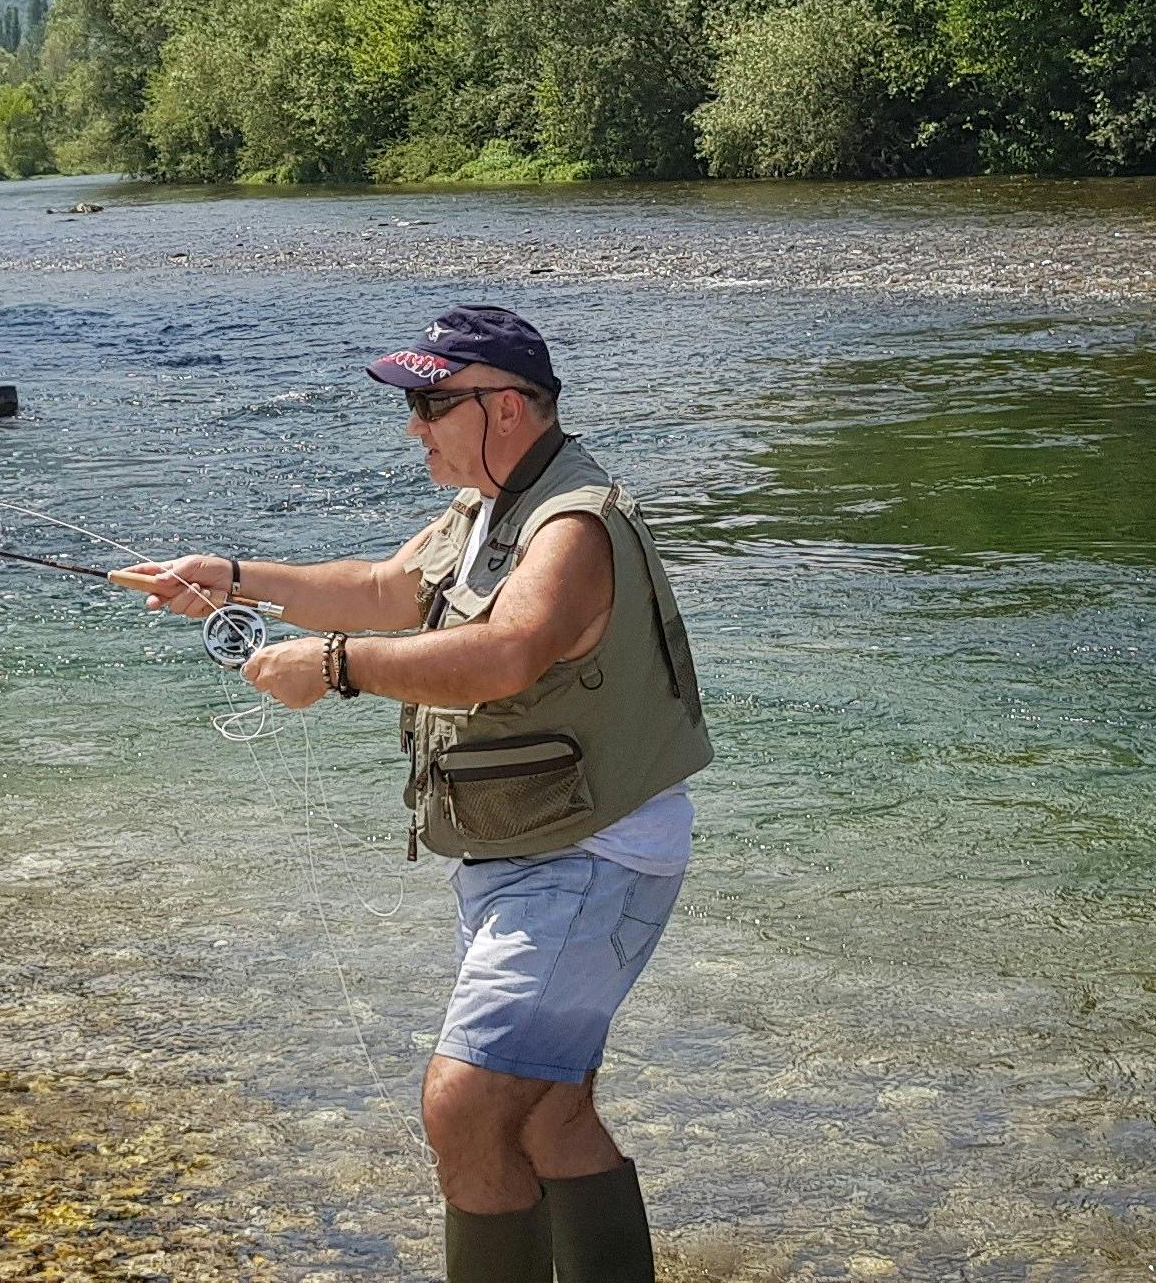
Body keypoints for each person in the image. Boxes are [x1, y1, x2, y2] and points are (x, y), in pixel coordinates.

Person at [113, 305, 712, 1283]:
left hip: (588, 856)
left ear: (509, 407)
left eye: (435, 401)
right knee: (552, 1116)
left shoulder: (571, 521)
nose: (415, 424)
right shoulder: (488, 508)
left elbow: (508, 652)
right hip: (534, 850)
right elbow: (387, 587)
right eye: (415, 401)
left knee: (466, 1105)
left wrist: (339, 668)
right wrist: (228, 577)